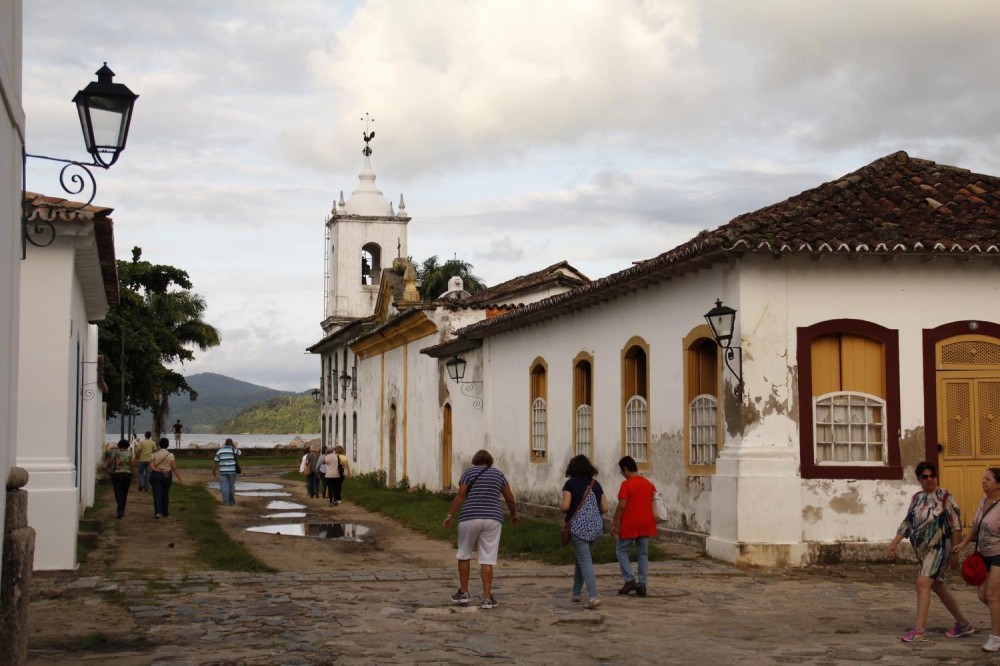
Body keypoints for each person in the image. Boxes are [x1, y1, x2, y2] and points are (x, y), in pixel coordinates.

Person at [887, 461, 971, 643]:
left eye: (932, 475)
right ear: (919, 479)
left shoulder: (945, 497)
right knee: (938, 586)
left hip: (940, 549)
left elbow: (956, 526)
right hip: (922, 551)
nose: (929, 479)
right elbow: (908, 522)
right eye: (925, 476)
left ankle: (919, 630)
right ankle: (964, 624)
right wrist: (895, 542)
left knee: (922, 583)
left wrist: (955, 553)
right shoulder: (916, 498)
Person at [442, 449, 519, 609]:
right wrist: (513, 514)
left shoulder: (468, 473)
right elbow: (509, 497)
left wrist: (450, 514)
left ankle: (464, 592)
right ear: (490, 462)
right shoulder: (498, 475)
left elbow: (461, 495)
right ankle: (486, 598)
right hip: (493, 518)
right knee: (487, 558)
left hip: (469, 517)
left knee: (464, 553)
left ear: (475, 461)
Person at [952, 467, 1000, 651]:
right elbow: (975, 527)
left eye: (988, 479)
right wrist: (963, 544)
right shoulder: (983, 502)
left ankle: (995, 637)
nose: (983, 481)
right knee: (982, 595)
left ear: (998, 484)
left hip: (998, 555)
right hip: (983, 554)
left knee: (993, 595)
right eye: (983, 478)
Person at [560, 454, 609, 609]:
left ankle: (594, 596)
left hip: (578, 528)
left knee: (585, 561)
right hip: (596, 528)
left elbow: (565, 506)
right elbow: (605, 508)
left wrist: (562, 506)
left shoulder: (570, 484)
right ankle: (576, 592)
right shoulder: (596, 484)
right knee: (581, 558)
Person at [610, 455, 656, 597]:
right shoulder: (648, 483)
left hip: (630, 522)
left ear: (625, 469)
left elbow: (622, 505)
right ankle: (642, 584)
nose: (622, 475)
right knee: (642, 554)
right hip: (646, 521)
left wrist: (615, 522)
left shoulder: (626, 485)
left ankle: (629, 579)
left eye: (622, 472)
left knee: (621, 551)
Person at [149, 437, 183, 519]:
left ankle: (157, 512)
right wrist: (180, 479)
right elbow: (174, 468)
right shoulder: (170, 455)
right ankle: (165, 513)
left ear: (159, 445)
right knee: (165, 493)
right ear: (168, 445)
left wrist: (160, 470)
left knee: (157, 494)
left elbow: (151, 466)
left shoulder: (154, 454)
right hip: (167, 475)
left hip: (156, 475)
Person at [106, 438, 136, 519]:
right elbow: (132, 465)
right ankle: (122, 509)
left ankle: (120, 510)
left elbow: (110, 462)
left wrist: (109, 468)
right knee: (124, 493)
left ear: (119, 445)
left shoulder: (115, 453)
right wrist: (134, 475)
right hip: (127, 474)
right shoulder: (130, 454)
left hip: (117, 474)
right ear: (127, 446)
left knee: (118, 492)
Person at [213, 438, 241, 506]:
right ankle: (232, 501)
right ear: (231, 443)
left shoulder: (220, 451)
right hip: (232, 471)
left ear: (225, 443)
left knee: (224, 486)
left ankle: (226, 502)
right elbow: (239, 453)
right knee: (231, 486)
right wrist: (234, 446)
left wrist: (213, 470)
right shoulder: (233, 450)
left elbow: (215, 461)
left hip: (222, 471)